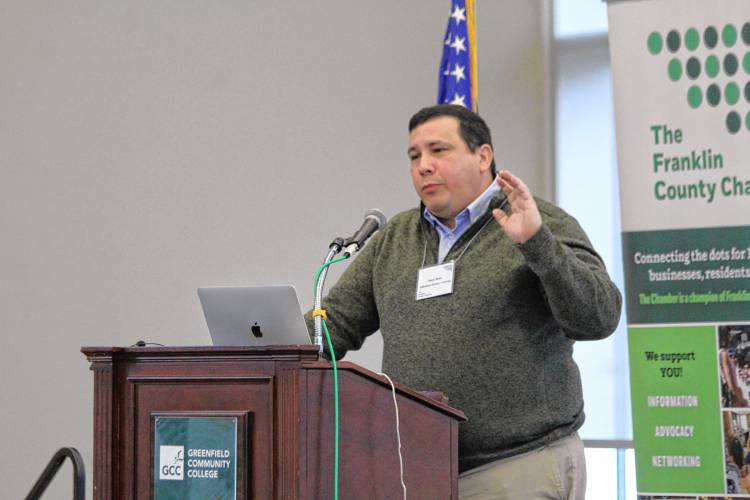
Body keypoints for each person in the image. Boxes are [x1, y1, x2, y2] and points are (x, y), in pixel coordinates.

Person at [306, 104, 622, 499]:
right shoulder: (396, 238)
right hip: (416, 469)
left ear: (483, 156)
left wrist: (537, 244)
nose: (424, 166)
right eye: (414, 156)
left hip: (517, 465)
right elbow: (333, 326)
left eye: (439, 151)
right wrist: (261, 346)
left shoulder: (539, 221)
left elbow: (599, 317)